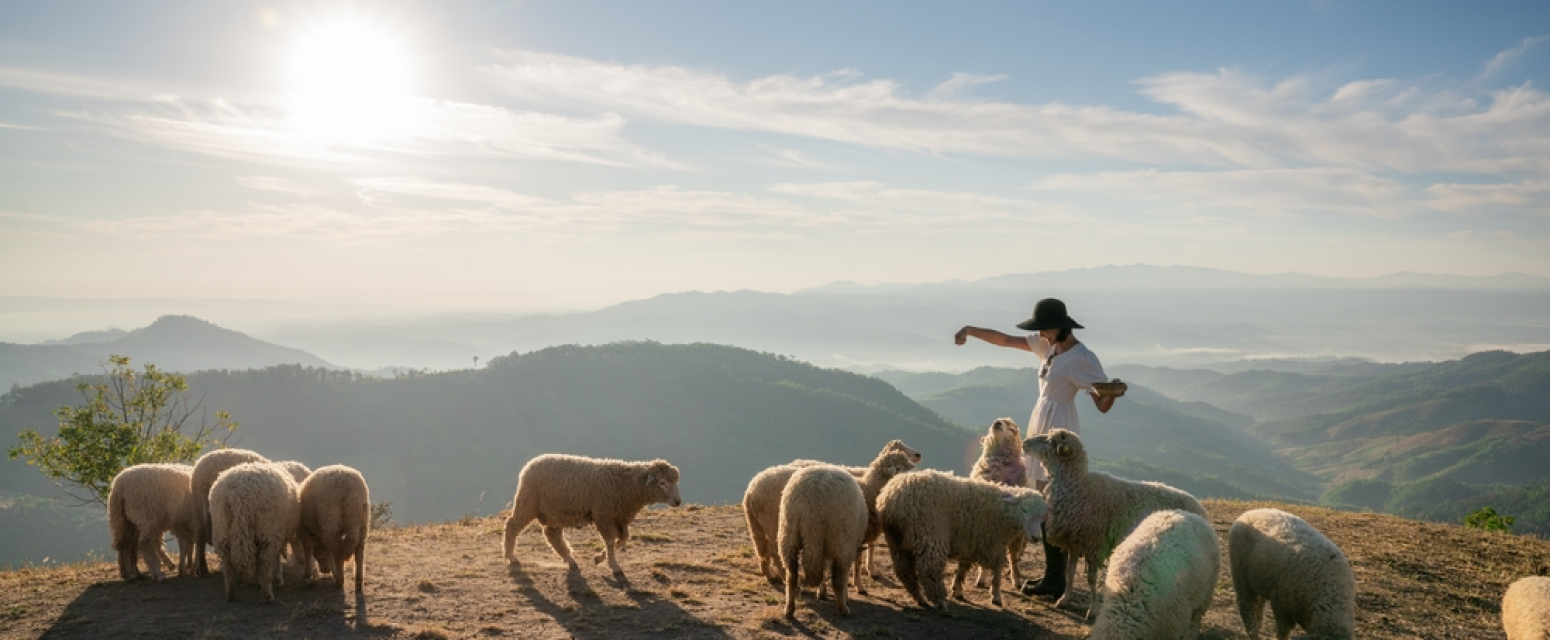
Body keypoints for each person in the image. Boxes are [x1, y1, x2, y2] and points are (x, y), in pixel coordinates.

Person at [953, 297, 1117, 597]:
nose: (1040, 334)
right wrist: (969, 330)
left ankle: (1056, 578)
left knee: (1051, 504)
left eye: (1044, 329)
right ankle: (1053, 576)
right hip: (1041, 423)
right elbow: (1005, 340)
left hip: (1059, 429)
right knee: (1043, 501)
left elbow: (1101, 403)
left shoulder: (1082, 358)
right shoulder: (1049, 348)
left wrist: (1114, 392)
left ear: (1061, 327)